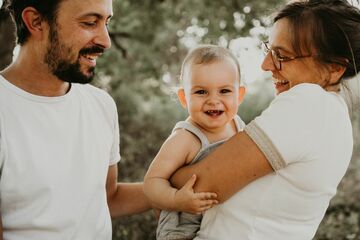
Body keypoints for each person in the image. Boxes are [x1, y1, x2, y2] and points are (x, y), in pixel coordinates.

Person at [170, 0, 360, 239]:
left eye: (281, 55)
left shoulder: (309, 102)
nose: (266, 64)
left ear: (334, 68)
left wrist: (166, 175)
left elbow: (198, 187)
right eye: (268, 49)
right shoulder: (335, 116)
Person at [0, 0, 151, 239]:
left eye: (106, 23)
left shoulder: (102, 105)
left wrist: (175, 191)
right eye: (90, 23)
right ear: (36, 22)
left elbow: (107, 197)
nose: (106, 41)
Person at [143, 45, 246, 240]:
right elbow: (151, 183)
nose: (213, 100)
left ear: (239, 95)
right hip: (183, 229)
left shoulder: (238, 126)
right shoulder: (186, 138)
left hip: (222, 222)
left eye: (224, 91)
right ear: (184, 97)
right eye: (201, 92)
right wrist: (176, 200)